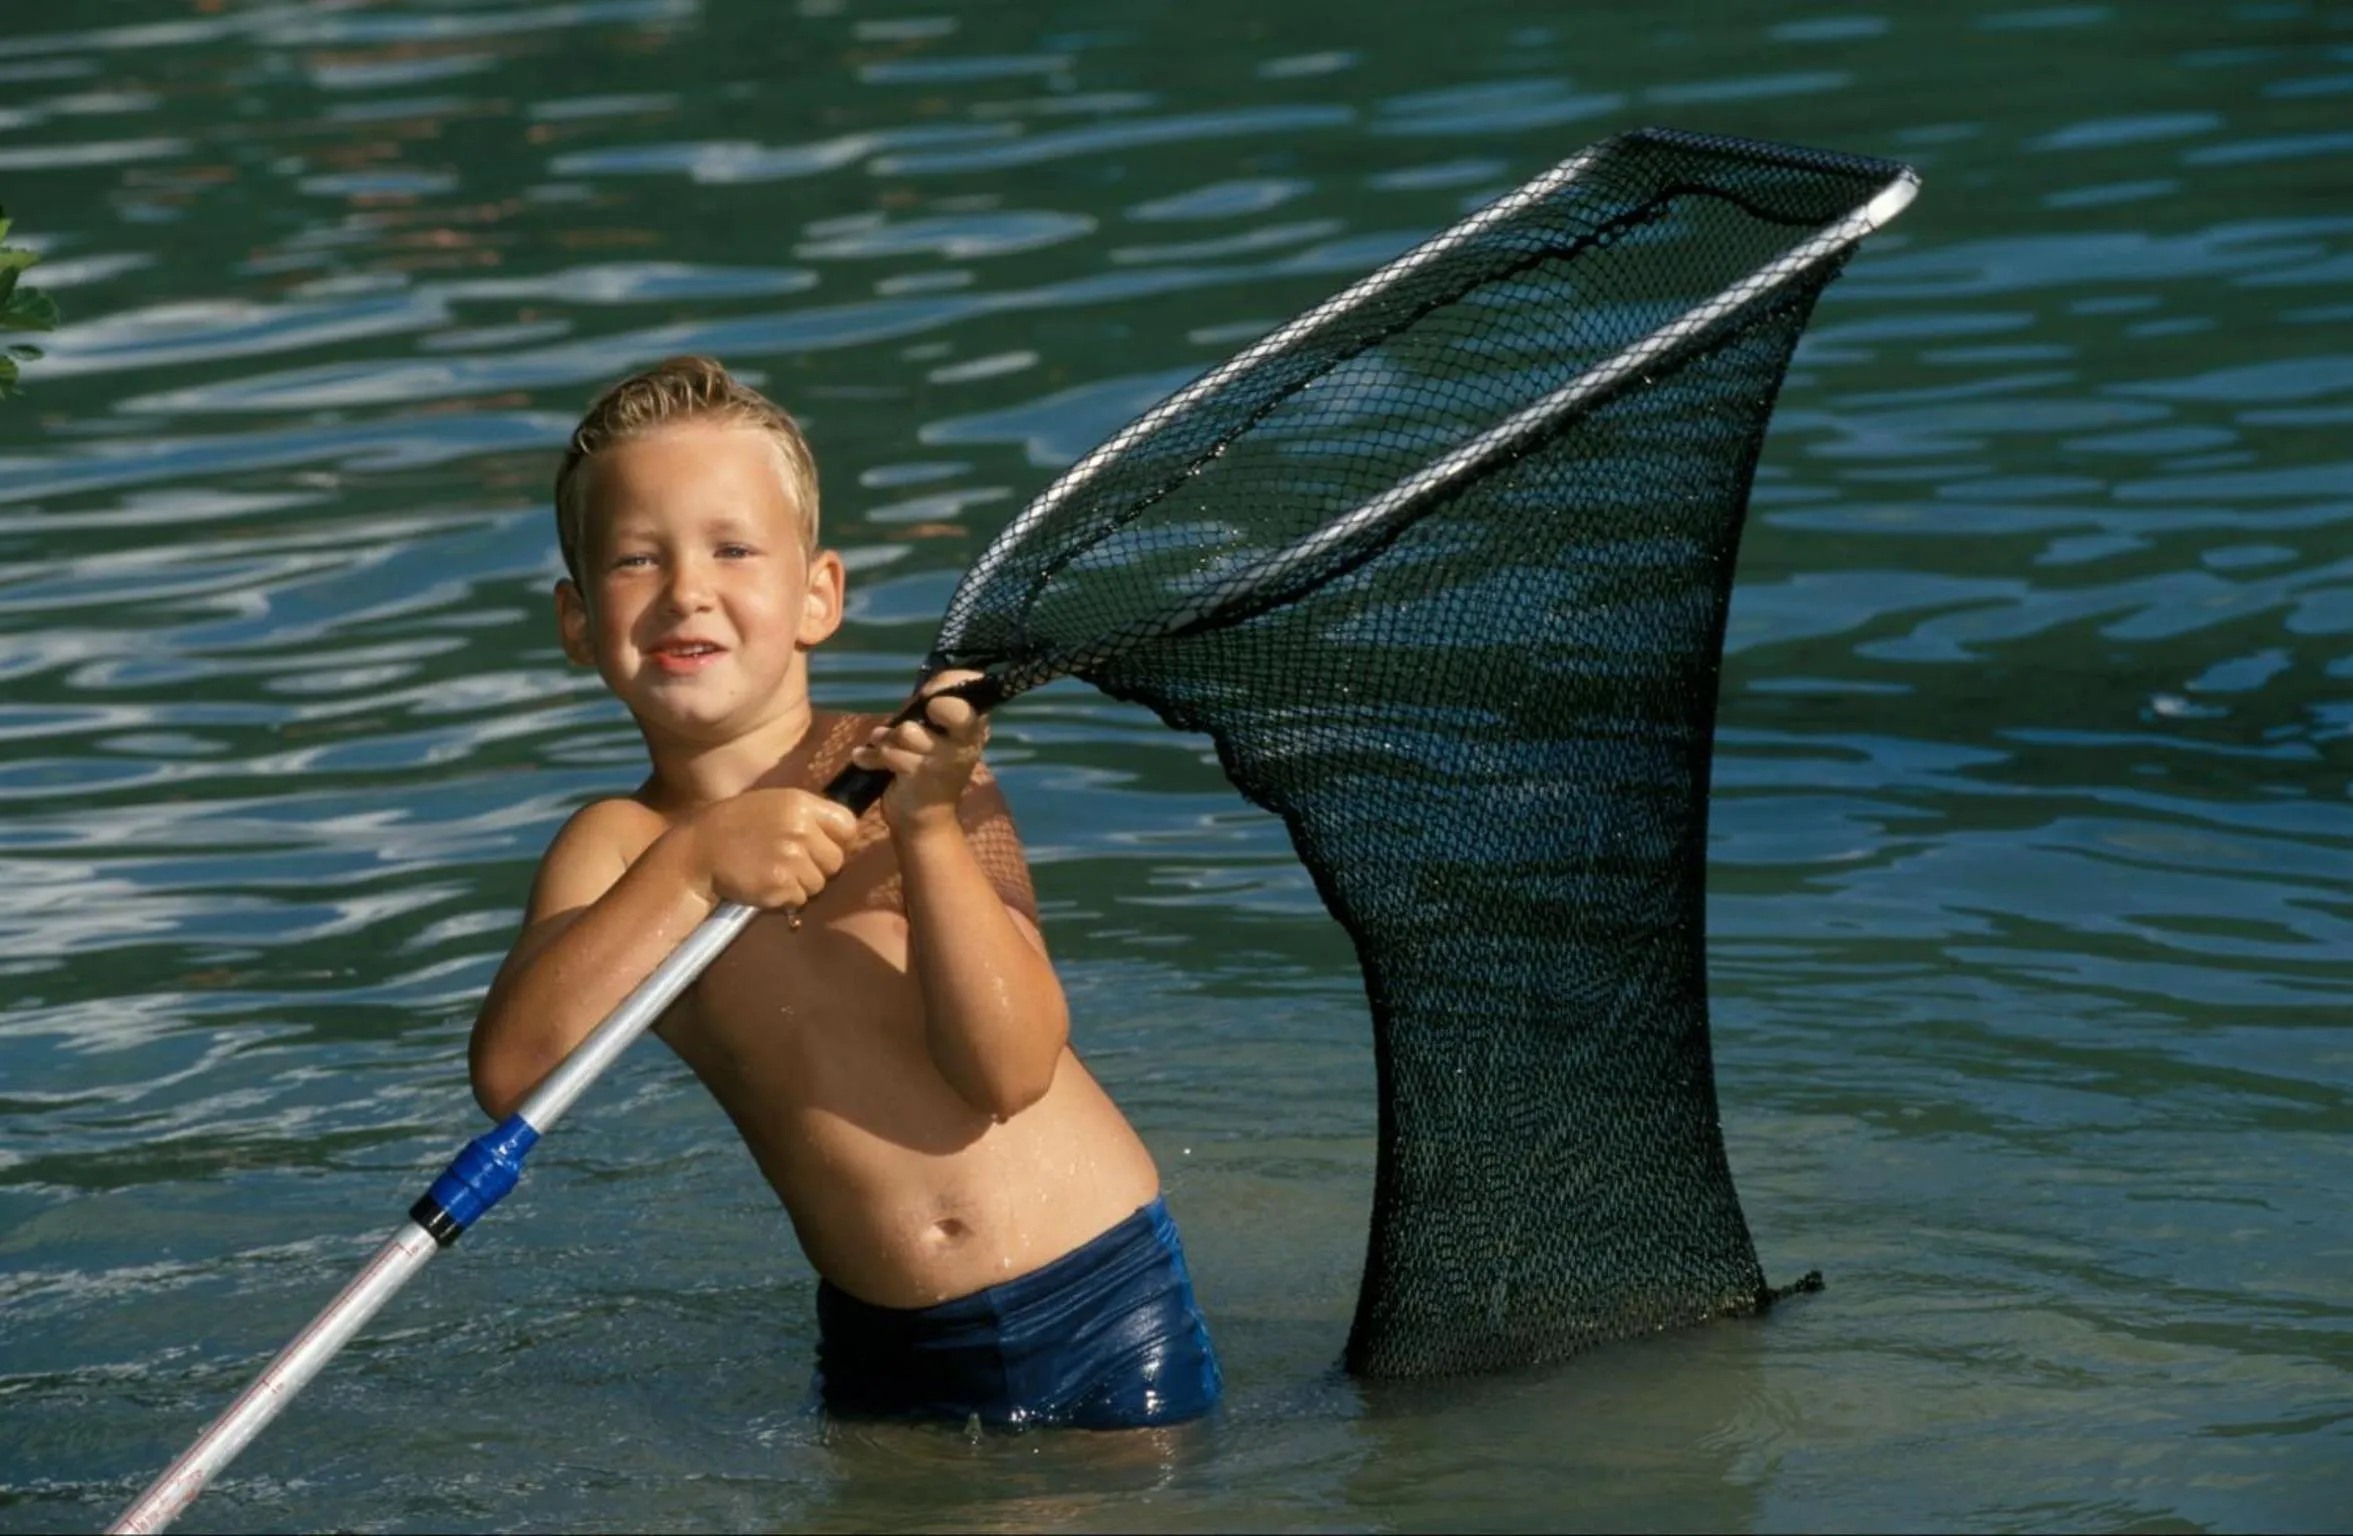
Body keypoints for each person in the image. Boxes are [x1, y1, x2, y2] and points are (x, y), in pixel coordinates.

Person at [469, 355, 1221, 1429]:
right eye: (637, 559)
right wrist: (690, 866)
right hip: (884, 1345)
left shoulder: (921, 774)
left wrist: (924, 828)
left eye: (733, 548)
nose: (687, 588)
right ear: (580, 623)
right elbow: (512, 1076)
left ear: (817, 594)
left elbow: (1006, 1068)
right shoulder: (615, 848)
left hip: (1095, 1294)